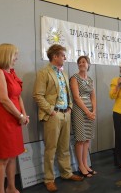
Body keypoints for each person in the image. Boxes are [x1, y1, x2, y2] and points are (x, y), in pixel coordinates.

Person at [33, 44, 84, 192]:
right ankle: (49, 179)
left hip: (65, 114)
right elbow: (38, 95)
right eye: (62, 55)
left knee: (64, 146)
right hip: (53, 115)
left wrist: (69, 107)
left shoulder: (63, 73)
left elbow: (68, 93)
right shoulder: (44, 73)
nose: (65, 58)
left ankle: (66, 173)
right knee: (51, 148)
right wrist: (51, 111)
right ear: (55, 56)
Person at [0, 43, 30, 193]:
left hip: (15, 118)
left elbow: (18, 96)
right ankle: (0, 191)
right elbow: (4, 99)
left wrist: (23, 115)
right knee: (3, 158)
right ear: (6, 55)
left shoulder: (11, 72)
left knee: (12, 156)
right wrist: (20, 116)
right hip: (3, 119)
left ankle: (11, 187)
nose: (16, 58)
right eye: (14, 55)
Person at [70, 56, 97, 178]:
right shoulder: (74, 78)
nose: (81, 64)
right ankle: (80, 165)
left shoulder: (90, 80)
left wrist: (94, 110)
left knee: (87, 139)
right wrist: (87, 111)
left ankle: (86, 163)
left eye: (84, 62)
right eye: (79, 62)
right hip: (79, 110)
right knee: (80, 139)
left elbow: (93, 97)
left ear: (88, 65)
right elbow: (76, 97)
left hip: (90, 111)